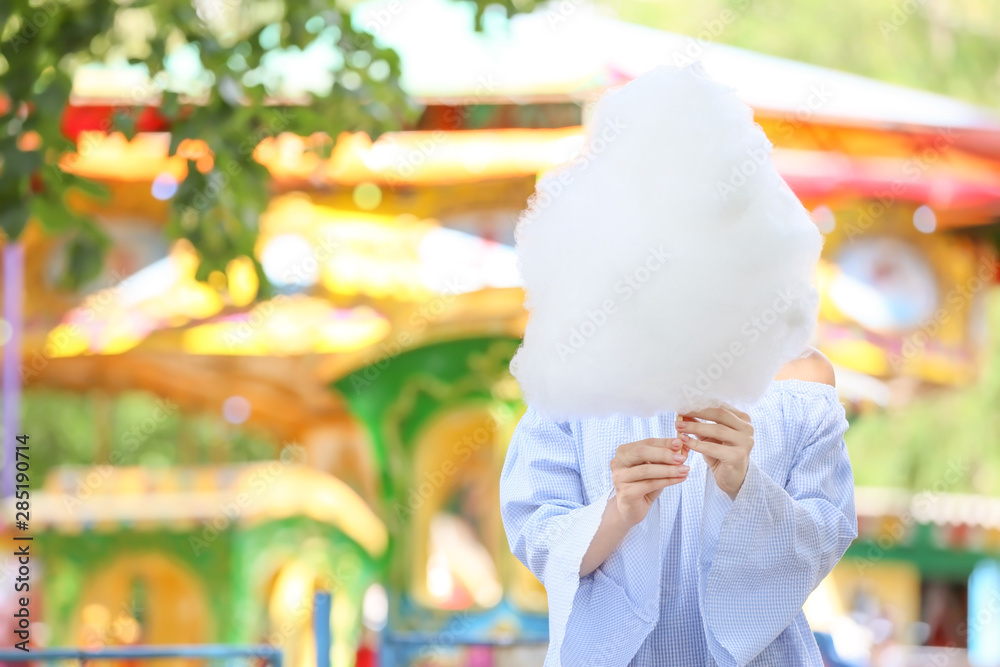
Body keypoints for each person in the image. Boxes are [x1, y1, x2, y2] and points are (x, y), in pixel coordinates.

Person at [499, 346, 857, 666]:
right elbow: (539, 538)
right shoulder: (573, 375)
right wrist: (618, 511)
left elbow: (825, 538)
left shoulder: (800, 375)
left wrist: (747, 487)